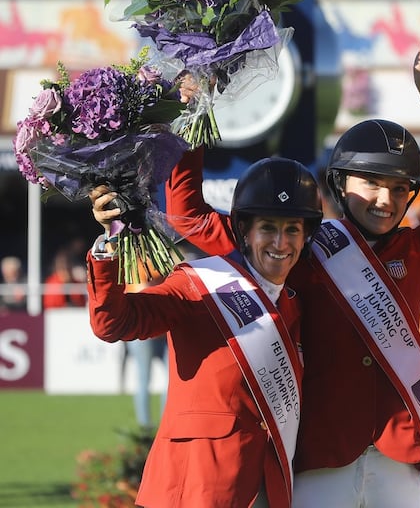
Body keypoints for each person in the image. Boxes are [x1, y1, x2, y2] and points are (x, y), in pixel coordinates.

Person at [165, 32, 420, 507]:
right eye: (370, 183)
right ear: (339, 182)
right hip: (321, 457)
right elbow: (186, 215)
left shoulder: (419, 249)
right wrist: (192, 115)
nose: (385, 200)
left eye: (398, 188)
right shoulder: (295, 245)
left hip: (399, 458)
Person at [86, 157, 322, 507]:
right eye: (268, 228)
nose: (280, 242)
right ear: (244, 231)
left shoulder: (295, 305)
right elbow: (113, 323)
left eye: (292, 229)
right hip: (192, 487)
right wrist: (112, 242)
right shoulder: (197, 284)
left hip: (266, 489)